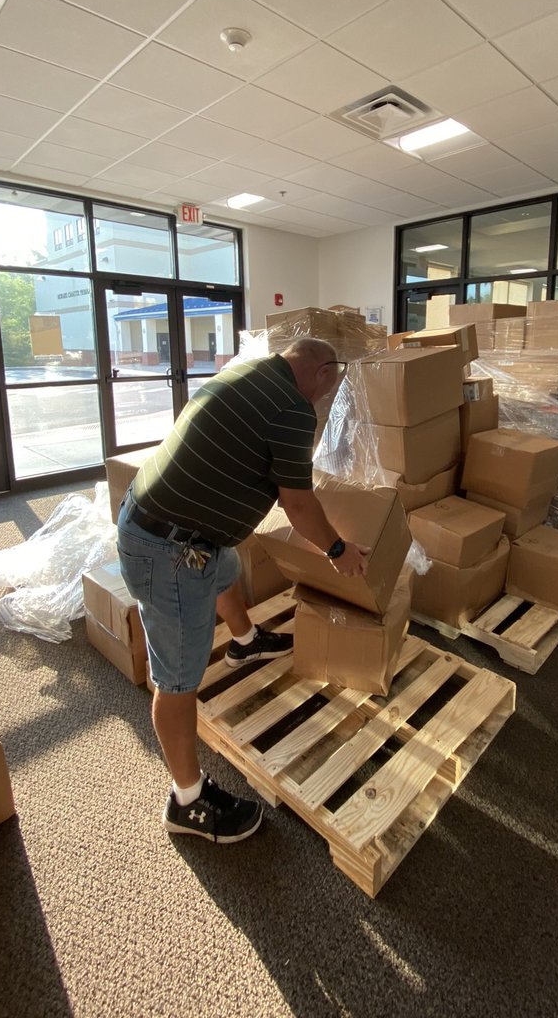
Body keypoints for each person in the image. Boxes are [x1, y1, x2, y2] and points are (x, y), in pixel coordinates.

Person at [116, 337, 370, 844]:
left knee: (226, 565)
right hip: (171, 548)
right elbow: (298, 503)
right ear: (321, 371)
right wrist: (338, 552)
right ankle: (187, 801)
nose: (329, 393)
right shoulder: (293, 409)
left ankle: (245, 639)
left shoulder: (246, 372)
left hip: (173, 528)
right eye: (333, 381)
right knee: (177, 679)